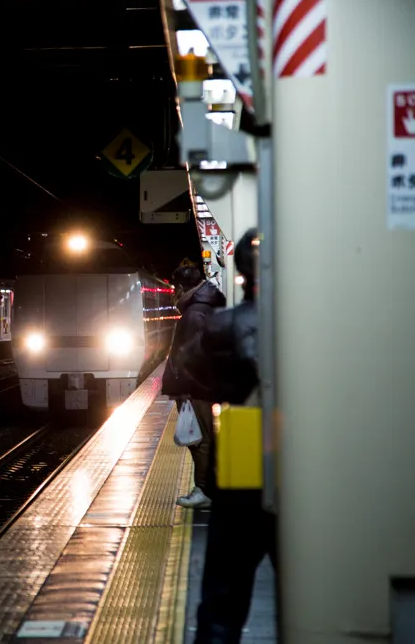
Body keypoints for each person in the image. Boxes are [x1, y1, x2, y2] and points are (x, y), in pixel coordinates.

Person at [177, 228, 280, 644]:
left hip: (240, 455)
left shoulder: (221, 327)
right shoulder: (316, 326)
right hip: (303, 459)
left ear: (241, 275)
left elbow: (193, 365)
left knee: (222, 593)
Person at [161, 262, 226, 508]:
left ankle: (204, 490)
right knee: (202, 436)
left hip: (197, 388)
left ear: (180, 287)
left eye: (175, 287)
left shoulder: (194, 313)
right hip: (202, 386)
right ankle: (207, 487)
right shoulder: (203, 308)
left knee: (200, 438)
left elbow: (197, 355)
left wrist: (188, 388)